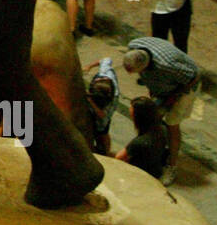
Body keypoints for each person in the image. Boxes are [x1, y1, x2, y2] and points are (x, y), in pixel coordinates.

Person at [123, 37, 200, 185]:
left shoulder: (167, 66)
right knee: (151, 116)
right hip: (164, 85)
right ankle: (156, 151)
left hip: (184, 88)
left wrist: (172, 98)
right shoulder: (133, 45)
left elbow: (193, 78)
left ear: (145, 66)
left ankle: (171, 166)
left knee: (172, 123)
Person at [117, 96, 169, 180]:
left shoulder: (139, 142)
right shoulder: (162, 129)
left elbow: (118, 158)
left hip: (139, 176)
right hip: (155, 172)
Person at [85, 56, 120, 155]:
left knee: (102, 131)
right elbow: (106, 59)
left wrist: (91, 102)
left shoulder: (112, 100)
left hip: (103, 113)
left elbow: (103, 116)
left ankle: (106, 152)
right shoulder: (104, 73)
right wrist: (89, 66)